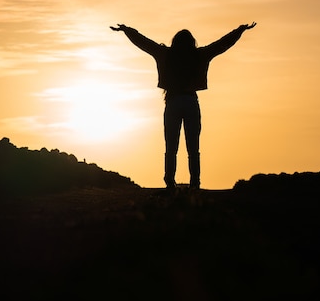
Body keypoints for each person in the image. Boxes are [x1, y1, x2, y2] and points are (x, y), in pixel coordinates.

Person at [110, 22, 257, 189]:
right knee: (193, 147)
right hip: (190, 101)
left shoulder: (165, 54)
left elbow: (144, 42)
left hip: (172, 102)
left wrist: (127, 30)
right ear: (192, 42)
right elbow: (221, 45)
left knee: (171, 146)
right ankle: (195, 183)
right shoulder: (199, 55)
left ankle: (170, 182)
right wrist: (239, 31)